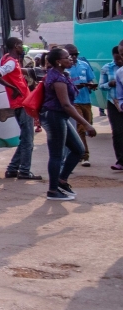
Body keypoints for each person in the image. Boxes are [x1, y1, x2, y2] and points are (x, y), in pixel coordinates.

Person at [40, 48, 96, 201]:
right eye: (67, 57)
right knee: (56, 155)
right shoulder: (57, 78)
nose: (71, 59)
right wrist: (86, 124)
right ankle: (52, 191)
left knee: (78, 149)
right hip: (54, 116)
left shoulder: (62, 75)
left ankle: (61, 181)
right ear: (58, 61)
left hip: (59, 116)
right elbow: (66, 105)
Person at [0, 37, 42, 180]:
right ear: (15, 46)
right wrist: (13, 88)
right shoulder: (11, 62)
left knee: (25, 138)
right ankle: (24, 171)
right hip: (22, 102)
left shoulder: (6, 58)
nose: (22, 48)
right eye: (20, 45)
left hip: (19, 103)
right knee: (28, 140)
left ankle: (13, 169)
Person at [64, 44, 96, 167]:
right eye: (71, 55)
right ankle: (84, 156)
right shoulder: (65, 69)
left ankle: (75, 151)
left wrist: (90, 84)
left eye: (75, 54)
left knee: (87, 125)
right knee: (81, 127)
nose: (74, 57)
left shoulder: (84, 65)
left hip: (86, 100)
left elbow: (90, 79)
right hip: (73, 101)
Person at [100, 47, 123, 172]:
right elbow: (101, 86)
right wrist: (110, 84)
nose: (120, 60)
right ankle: (120, 161)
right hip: (114, 103)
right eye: (117, 58)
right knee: (117, 131)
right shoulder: (107, 68)